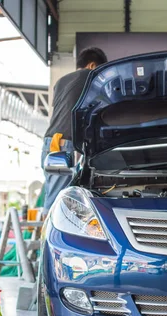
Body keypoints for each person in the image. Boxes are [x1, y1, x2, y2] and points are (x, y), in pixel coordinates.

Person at [41, 47, 108, 214]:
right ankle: (47, 237)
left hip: (51, 142)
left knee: (54, 193)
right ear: (92, 65)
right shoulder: (89, 76)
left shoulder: (61, 82)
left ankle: (45, 232)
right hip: (65, 145)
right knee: (58, 202)